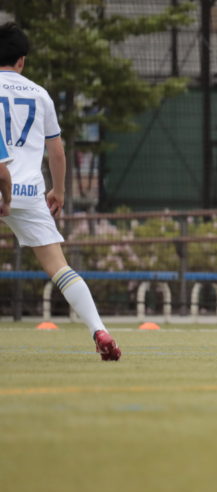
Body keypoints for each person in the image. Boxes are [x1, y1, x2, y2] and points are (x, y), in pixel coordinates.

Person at [0, 23, 121, 361]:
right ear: (22, 60)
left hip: (2, 179)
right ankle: (99, 330)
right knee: (60, 268)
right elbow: (57, 151)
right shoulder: (40, 94)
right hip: (29, 191)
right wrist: (59, 190)